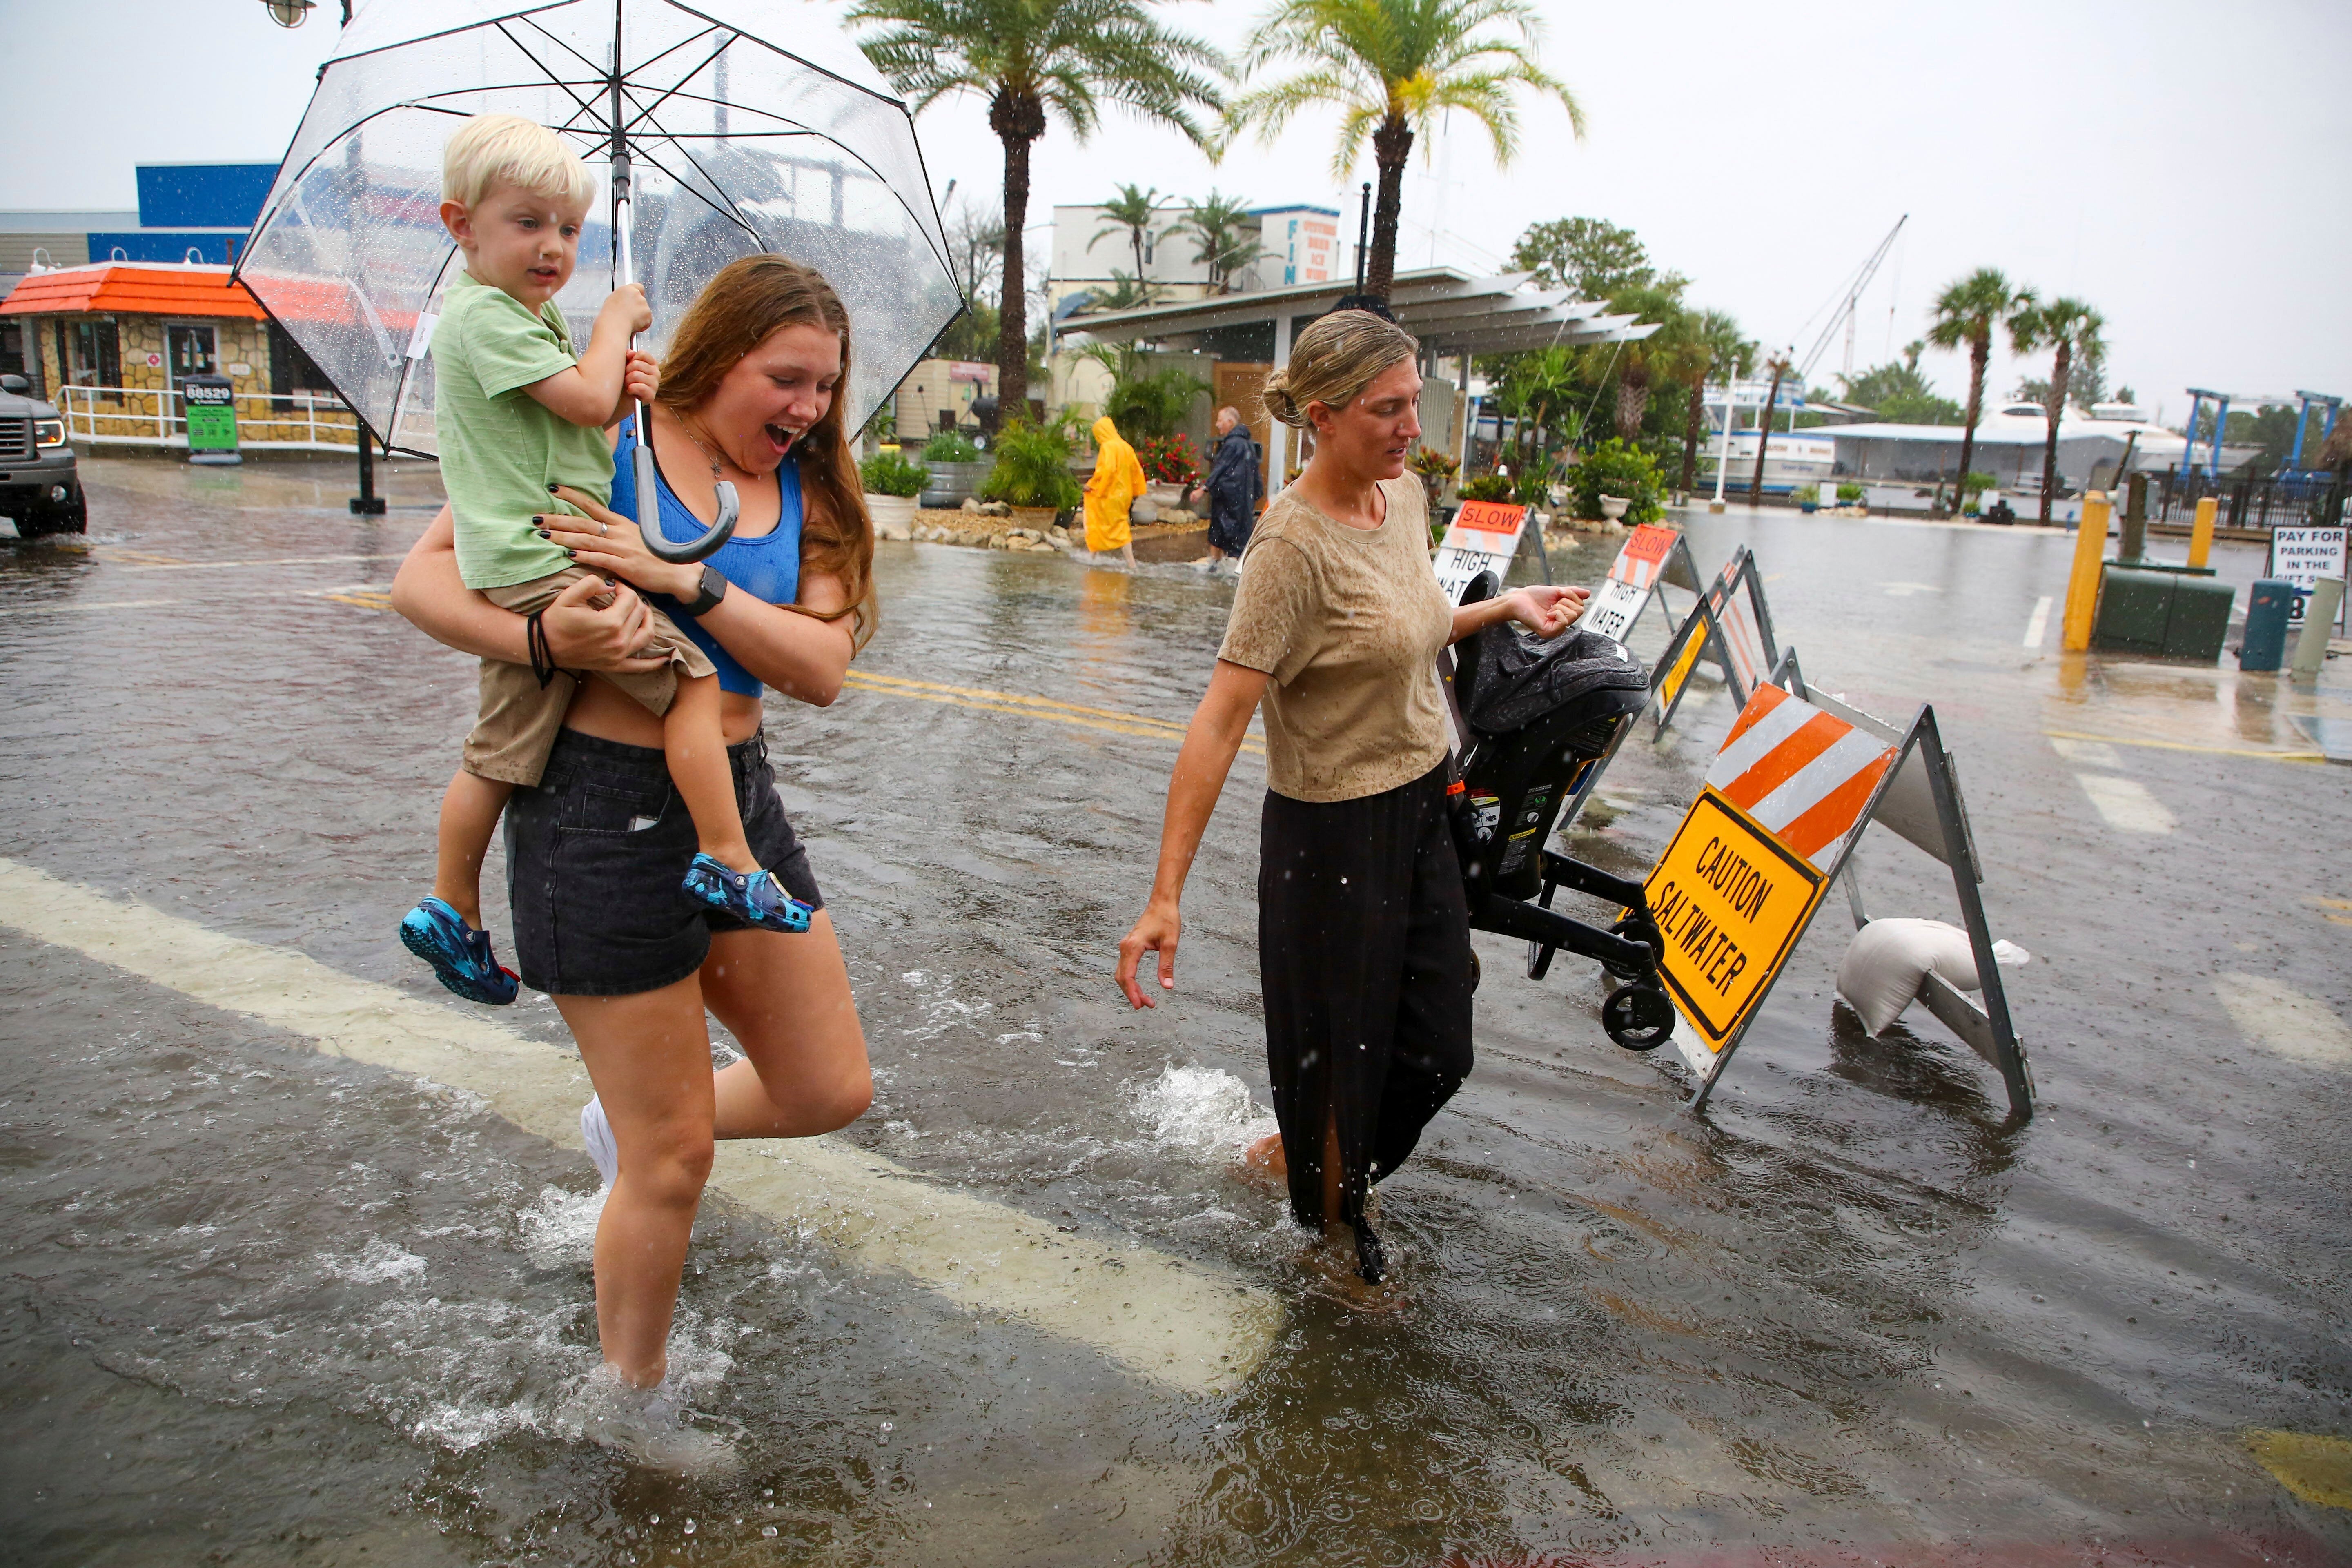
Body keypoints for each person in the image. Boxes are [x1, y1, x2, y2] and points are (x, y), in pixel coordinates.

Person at [390, 255, 875, 1410]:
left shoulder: (817, 492)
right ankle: (630, 1410)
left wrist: (683, 584)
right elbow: (420, 583)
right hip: (596, 811)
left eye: (826, 388)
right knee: (676, 1161)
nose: (806, 411)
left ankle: (634, 1121)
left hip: (737, 799)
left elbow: (819, 669)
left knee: (827, 1089)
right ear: (722, 357)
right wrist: (551, 647)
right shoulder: (597, 435)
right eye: (786, 380)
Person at [1114, 311, 1588, 1285]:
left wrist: (1501, 608)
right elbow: (1218, 719)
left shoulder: (1401, 497)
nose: (1411, 425)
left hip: (1419, 804)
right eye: (1386, 408)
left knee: (1436, 1044)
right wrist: (1166, 893)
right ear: (1322, 416)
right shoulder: (1287, 546)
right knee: (1341, 1062)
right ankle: (1334, 1246)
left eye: (1413, 401)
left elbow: (1400, 626)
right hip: (1329, 829)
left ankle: (1297, 1165)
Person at [399, 116, 809, 1014]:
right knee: (689, 675)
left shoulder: (527, 323)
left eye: (570, 230)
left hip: (542, 561)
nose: (554, 247)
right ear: (461, 225)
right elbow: (417, 578)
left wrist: (617, 383)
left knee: (501, 754)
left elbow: (822, 668)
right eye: (529, 224)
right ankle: (727, 859)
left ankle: (450, 906)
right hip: (546, 563)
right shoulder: (488, 319)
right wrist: (616, 323)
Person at [1191, 405, 1263, 572]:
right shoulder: (1248, 446)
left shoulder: (1231, 444)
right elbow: (1256, 477)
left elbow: (1220, 468)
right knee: (1238, 544)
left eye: (1220, 420)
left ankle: (1214, 570)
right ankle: (1235, 573)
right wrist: (1254, 497)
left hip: (1226, 501)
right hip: (1243, 503)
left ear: (1231, 422)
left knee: (1217, 537)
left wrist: (1204, 489)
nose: (1217, 424)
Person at [1082, 414, 1146, 566]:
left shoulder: (1108, 447)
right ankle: (1095, 556)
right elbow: (1136, 470)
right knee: (1118, 524)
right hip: (1124, 494)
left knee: (1100, 521)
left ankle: (1129, 563)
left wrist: (1093, 485)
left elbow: (1107, 471)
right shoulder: (1126, 446)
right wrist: (1135, 491)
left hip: (1110, 493)